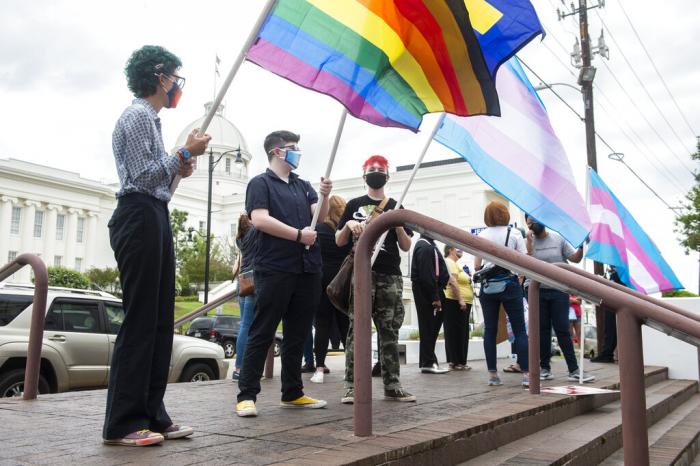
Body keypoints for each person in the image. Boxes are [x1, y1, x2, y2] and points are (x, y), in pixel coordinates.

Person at [103, 45, 211, 446]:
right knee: (141, 319)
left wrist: (178, 163)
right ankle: (122, 422)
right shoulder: (135, 117)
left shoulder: (152, 121)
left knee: (161, 320)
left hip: (155, 214)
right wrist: (182, 152)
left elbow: (159, 178)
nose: (177, 86)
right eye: (174, 77)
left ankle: (152, 412)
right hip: (138, 215)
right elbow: (144, 177)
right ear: (158, 76)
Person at [235, 130, 332, 417]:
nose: (297, 152)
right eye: (292, 148)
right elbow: (260, 219)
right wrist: (298, 235)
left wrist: (325, 196)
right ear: (277, 152)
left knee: (298, 333)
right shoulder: (260, 183)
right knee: (263, 330)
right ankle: (246, 395)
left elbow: (321, 216)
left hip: (308, 269)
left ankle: (293, 392)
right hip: (275, 267)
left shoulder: (303, 186)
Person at [336, 155, 415, 403]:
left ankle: (392, 385)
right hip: (361, 274)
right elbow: (338, 240)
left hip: (390, 275)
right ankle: (351, 385)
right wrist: (349, 225)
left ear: (387, 176)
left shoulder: (396, 205)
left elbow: (406, 246)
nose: (376, 173)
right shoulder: (353, 204)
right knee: (356, 329)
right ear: (364, 175)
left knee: (389, 331)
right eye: (371, 169)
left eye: (380, 169)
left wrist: (397, 222)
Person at [525, 214, 595, 383]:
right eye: (529, 223)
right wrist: (528, 245)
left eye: (535, 220)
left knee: (563, 329)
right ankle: (545, 368)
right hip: (537, 292)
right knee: (542, 331)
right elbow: (526, 262)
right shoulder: (528, 241)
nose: (533, 224)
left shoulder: (558, 239)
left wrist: (582, 246)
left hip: (558, 291)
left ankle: (574, 370)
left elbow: (575, 259)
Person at [474, 202, 530, 387]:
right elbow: (524, 261)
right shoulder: (514, 233)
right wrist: (520, 279)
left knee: (490, 330)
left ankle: (493, 375)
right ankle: (526, 375)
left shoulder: (481, 235)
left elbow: (476, 266)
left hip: (488, 287)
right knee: (520, 330)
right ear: (505, 215)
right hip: (510, 285)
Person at [310, 195, 352, 383]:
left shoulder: (319, 230)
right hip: (343, 282)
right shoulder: (346, 232)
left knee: (322, 324)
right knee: (345, 324)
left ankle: (319, 365)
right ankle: (351, 366)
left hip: (322, 282)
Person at [411, 234, 450, 374]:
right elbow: (427, 274)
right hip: (428, 292)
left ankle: (428, 360)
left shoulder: (426, 245)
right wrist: (435, 297)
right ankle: (428, 362)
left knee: (430, 327)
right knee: (428, 327)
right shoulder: (425, 247)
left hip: (431, 289)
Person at [232, 213, 257, 382]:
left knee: (244, 326)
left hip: (242, 282)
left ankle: (238, 368)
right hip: (253, 281)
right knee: (248, 326)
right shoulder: (254, 234)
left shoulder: (240, 238)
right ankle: (241, 369)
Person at [443, 246, 474, 370]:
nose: (461, 250)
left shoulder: (456, 264)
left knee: (460, 332)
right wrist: (461, 300)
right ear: (450, 249)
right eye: (458, 248)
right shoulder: (450, 262)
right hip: (455, 301)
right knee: (457, 332)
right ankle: (457, 362)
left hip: (460, 301)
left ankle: (458, 361)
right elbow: (453, 282)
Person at [591, 266, 621, 363]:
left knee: (610, 328)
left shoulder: (618, 274)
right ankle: (607, 353)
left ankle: (607, 354)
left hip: (614, 301)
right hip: (616, 300)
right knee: (611, 329)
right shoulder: (617, 273)